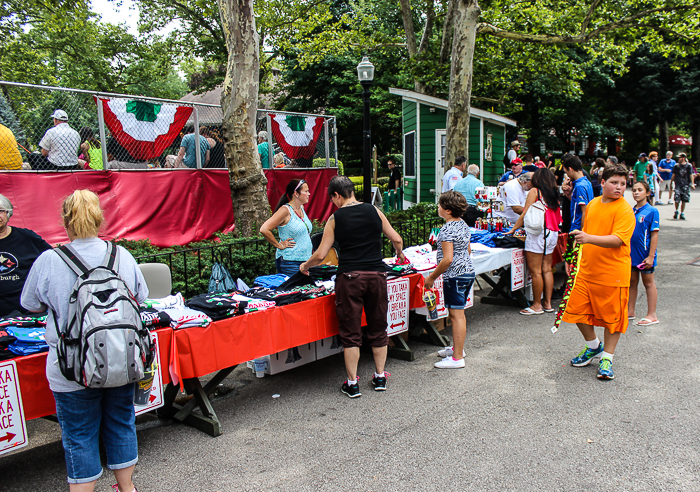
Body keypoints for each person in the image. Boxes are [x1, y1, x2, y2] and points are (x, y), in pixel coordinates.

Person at [21, 190, 148, 492]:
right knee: (121, 423)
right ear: (99, 218)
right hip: (120, 360)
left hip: (71, 368)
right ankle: (127, 489)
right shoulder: (121, 255)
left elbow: (30, 304)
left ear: (66, 221)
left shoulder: (50, 260)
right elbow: (141, 297)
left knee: (79, 435)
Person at [299, 176, 405, 398]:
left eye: (333, 199)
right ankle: (379, 377)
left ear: (337, 195)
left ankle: (352, 383)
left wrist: (305, 266)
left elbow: (320, 254)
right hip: (376, 276)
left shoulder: (335, 218)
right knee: (378, 327)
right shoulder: (374, 211)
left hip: (349, 278)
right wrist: (399, 254)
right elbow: (396, 239)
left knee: (351, 332)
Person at [563, 164, 635, 380]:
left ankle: (607, 358)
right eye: (614, 182)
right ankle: (594, 346)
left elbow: (617, 240)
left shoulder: (624, 209)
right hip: (586, 270)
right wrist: (574, 257)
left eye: (623, 184)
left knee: (612, 319)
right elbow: (588, 229)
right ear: (602, 183)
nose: (619, 187)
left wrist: (587, 238)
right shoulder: (594, 203)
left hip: (613, 273)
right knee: (575, 310)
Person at [425, 191, 475, 369]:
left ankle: (457, 357)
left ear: (447, 210)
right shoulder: (463, 224)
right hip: (467, 272)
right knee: (458, 314)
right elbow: (467, 250)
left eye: (439, 205)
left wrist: (431, 277)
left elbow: (447, 259)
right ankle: (457, 348)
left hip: (455, 276)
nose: (437, 207)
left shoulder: (446, 230)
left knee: (456, 315)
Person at [505, 169, 562, 315]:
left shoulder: (535, 192)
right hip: (552, 232)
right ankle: (547, 303)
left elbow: (525, 213)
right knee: (547, 269)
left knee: (535, 271)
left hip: (538, 233)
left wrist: (513, 230)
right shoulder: (553, 192)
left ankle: (537, 305)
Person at [0, 194, 52, 317]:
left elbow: (53, 260)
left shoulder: (27, 237)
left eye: (1, 211)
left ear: (8, 214)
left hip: (25, 315)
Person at [259, 179, 313, 277]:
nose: (309, 194)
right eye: (306, 191)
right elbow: (264, 229)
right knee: (293, 291)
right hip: (290, 262)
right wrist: (279, 245)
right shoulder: (285, 210)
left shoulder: (301, 208)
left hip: (306, 261)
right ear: (296, 193)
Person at [628, 181, 659, 327]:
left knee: (648, 283)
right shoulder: (631, 210)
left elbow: (654, 235)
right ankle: (630, 311)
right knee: (632, 283)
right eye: (634, 190)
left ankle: (652, 315)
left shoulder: (652, 211)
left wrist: (651, 256)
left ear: (647, 192)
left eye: (640, 190)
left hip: (645, 256)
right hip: (632, 255)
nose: (636, 192)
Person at [562, 154, 593, 232]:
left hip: (576, 229)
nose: (567, 175)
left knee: (570, 244)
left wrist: (582, 233)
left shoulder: (580, 186)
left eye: (566, 172)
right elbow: (577, 204)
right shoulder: (586, 182)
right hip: (578, 228)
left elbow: (584, 211)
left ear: (570, 169)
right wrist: (569, 194)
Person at [671, 152, 695, 220]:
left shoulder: (689, 166)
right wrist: (671, 182)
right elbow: (674, 174)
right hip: (678, 184)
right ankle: (676, 211)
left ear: (683, 158)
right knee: (677, 198)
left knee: (684, 199)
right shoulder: (676, 166)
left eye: (680, 157)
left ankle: (682, 212)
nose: (678, 159)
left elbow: (691, 175)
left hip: (686, 184)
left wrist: (692, 183)